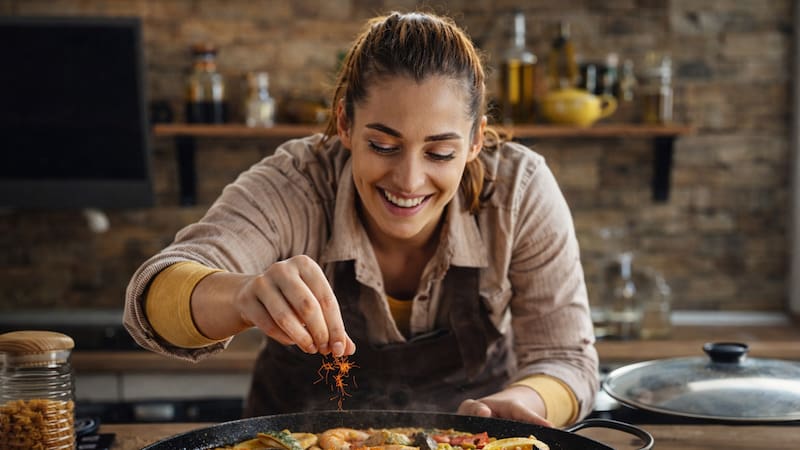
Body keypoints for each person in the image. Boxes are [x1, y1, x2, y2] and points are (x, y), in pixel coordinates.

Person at [124, 11, 597, 428]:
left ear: (475, 141)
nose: (409, 180)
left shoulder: (518, 191)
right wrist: (241, 296)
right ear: (345, 125)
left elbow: (566, 359)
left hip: (465, 443)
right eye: (383, 146)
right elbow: (150, 299)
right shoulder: (296, 183)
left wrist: (520, 403)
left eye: (440, 152)